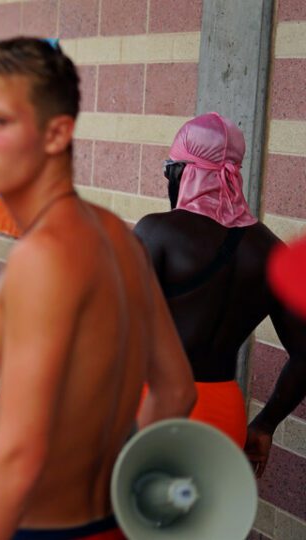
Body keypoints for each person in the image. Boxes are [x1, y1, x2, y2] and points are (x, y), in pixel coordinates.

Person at [0, 38, 196, 539]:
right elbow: (176, 390)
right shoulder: (115, 235)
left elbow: (18, 455)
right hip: (109, 521)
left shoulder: (42, 257)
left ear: (56, 132)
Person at [132, 113, 306, 465]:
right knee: (204, 520)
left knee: (137, 517)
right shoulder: (270, 250)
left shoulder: (157, 233)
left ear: (183, 171)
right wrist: (265, 424)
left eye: (170, 169)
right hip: (225, 416)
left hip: (155, 407)